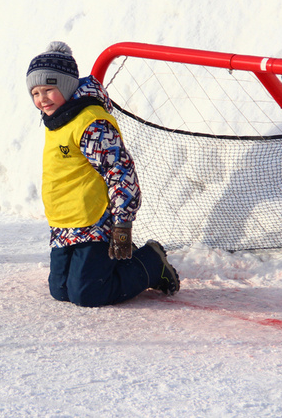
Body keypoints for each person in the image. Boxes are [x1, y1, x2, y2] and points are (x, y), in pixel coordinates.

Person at [26, 41, 179, 306]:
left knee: (87, 293)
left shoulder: (91, 123)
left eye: (49, 89)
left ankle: (151, 263)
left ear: (66, 86)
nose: (42, 99)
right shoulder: (57, 118)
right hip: (65, 223)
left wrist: (122, 223)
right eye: (35, 93)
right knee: (61, 291)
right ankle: (114, 265)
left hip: (95, 222)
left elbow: (120, 171)